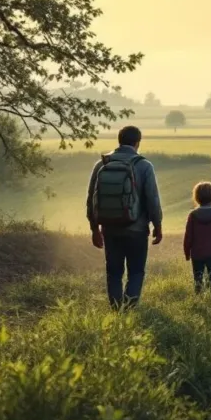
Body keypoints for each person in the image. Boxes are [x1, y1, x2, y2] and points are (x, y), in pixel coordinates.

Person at [86, 126, 162, 309]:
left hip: (110, 228)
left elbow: (91, 199)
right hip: (137, 229)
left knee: (113, 272)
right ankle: (129, 309)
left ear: (119, 140)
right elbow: (152, 199)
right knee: (136, 271)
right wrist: (158, 225)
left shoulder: (102, 164)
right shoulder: (144, 166)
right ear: (138, 142)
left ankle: (116, 310)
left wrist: (94, 229)